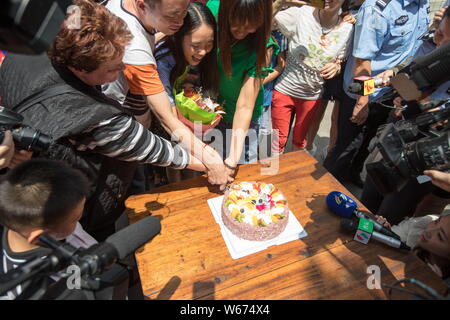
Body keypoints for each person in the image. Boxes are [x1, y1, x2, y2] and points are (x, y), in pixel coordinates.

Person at [0, 0, 204, 241]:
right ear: (80, 69)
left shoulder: (24, 51)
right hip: (63, 204)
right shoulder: (92, 114)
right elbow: (156, 150)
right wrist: (211, 165)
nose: (121, 71)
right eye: (112, 70)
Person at [103, 0, 231, 190]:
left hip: (136, 118)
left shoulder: (133, 10)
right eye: (172, 15)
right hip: (119, 127)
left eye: (184, 12)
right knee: (129, 185)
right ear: (143, 5)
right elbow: (166, 119)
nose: (180, 22)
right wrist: (209, 158)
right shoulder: (136, 51)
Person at [323, 0, 429, 187]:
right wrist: (362, 102)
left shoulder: (422, 4)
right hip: (365, 90)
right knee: (347, 146)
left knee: (369, 142)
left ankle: (351, 175)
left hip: (392, 88)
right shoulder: (377, 8)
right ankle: (326, 187)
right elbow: (363, 61)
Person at [0, 159, 97, 300]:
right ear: (41, 236)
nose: (78, 222)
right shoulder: (38, 288)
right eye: (75, 219)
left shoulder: (27, 220)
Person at [270, 0, 354, 155]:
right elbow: (264, 25)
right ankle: (272, 177)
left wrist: (337, 67)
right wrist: (279, 3)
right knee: (277, 144)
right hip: (284, 91)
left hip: (312, 97)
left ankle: (293, 178)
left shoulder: (348, 29)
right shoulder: (300, 14)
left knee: (299, 144)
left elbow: (340, 60)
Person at [205, 0, 274, 172]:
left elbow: (244, 105)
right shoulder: (213, 11)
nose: (241, 32)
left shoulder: (263, 47)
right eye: (235, 24)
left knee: (242, 170)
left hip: (246, 121)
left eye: (250, 26)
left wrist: (232, 159)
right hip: (213, 111)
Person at [154, 1, 218, 183]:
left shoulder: (208, 58)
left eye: (209, 44)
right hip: (167, 118)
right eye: (196, 45)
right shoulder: (164, 59)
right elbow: (167, 113)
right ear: (178, 37)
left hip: (191, 118)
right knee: (175, 160)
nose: (203, 52)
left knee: (192, 162)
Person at [374, 213, 450, 279]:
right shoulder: (422, 225)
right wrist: (388, 234)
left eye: (440, 236)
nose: (429, 231)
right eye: (436, 222)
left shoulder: (440, 285)